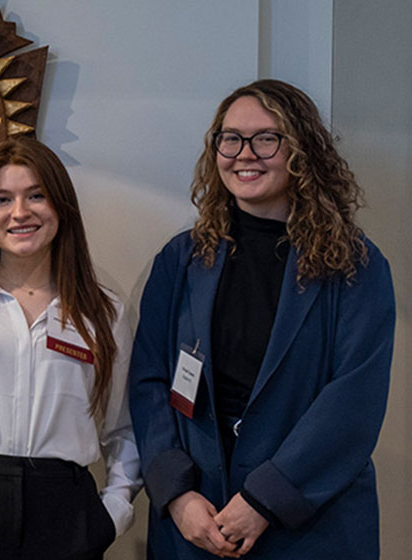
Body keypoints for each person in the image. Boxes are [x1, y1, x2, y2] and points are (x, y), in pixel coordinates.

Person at [128, 79, 395, 559]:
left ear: (302, 150)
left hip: (309, 523)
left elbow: (353, 401)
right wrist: (177, 494)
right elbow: (149, 381)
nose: (244, 154)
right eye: (230, 138)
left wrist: (264, 499)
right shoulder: (180, 259)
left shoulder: (354, 266)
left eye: (266, 138)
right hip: (197, 519)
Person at [0, 137, 142, 559]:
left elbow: (123, 426)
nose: (20, 212)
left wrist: (113, 511)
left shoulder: (103, 310)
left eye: (36, 195)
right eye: (2, 199)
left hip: (67, 512)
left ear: (62, 206)